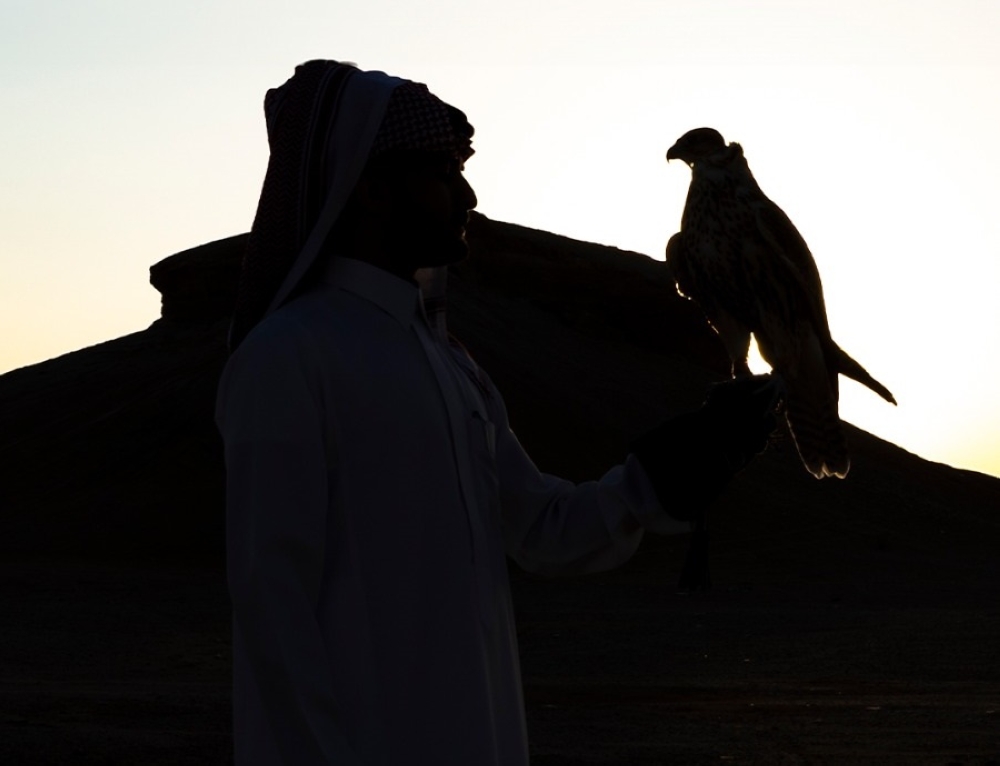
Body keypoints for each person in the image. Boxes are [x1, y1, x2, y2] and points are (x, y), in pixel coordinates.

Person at [215, 60, 780, 766]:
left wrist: (669, 471)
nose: (468, 194)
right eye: (444, 174)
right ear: (372, 188)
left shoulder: (453, 368)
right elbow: (274, 608)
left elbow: (541, 529)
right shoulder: (288, 358)